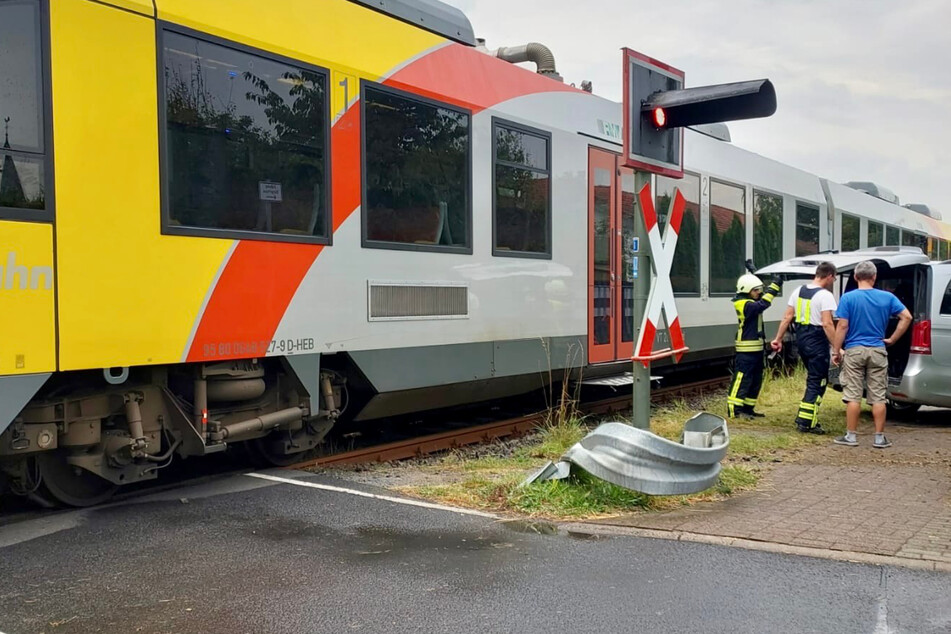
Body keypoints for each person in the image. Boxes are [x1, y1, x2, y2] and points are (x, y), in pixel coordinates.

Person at [831, 261, 912, 448]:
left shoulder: (848, 298)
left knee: (853, 395)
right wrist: (892, 339)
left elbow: (842, 326)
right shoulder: (887, 297)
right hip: (877, 350)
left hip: (854, 350)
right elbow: (906, 317)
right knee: (878, 396)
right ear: (874, 277)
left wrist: (836, 350)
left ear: (855, 277)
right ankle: (879, 438)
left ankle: (851, 436)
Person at [770, 262, 837, 434]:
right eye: (834, 277)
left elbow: (787, 317)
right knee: (818, 381)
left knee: (813, 379)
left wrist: (778, 339)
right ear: (829, 275)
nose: (834, 280)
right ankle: (807, 422)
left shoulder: (798, 291)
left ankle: (804, 417)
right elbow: (827, 324)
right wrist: (838, 347)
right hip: (817, 341)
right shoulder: (825, 295)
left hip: (802, 340)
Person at [727, 273, 781, 419]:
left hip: (756, 348)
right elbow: (763, 304)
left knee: (756, 379)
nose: (759, 292)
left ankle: (748, 409)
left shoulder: (749, 300)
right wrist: (775, 286)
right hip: (746, 349)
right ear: (747, 290)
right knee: (742, 378)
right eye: (756, 290)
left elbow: (761, 298)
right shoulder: (743, 303)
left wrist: (757, 274)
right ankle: (734, 410)